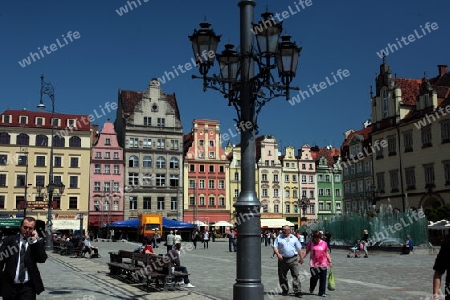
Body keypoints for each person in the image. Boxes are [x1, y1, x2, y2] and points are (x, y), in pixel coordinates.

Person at [0, 216, 47, 299]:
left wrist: (35, 241)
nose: (27, 230)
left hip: (28, 287)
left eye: (30, 228)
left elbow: (42, 259)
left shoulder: (36, 243)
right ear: (20, 227)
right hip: (10, 286)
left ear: (34, 229)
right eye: (25, 227)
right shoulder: (10, 241)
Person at [273, 225, 304, 298]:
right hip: (282, 259)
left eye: (285, 229)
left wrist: (301, 257)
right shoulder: (279, 238)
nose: (283, 231)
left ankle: (297, 291)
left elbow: (299, 248)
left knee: (295, 275)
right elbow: (275, 247)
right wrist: (278, 254)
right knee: (282, 276)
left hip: (293, 259)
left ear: (289, 230)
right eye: (283, 229)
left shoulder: (294, 238)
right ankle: (285, 290)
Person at [303, 230, 332, 297]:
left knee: (323, 278)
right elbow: (306, 252)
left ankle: (322, 292)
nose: (316, 239)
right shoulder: (310, 243)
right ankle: (312, 288)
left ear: (320, 237)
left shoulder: (324, 243)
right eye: (315, 238)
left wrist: (330, 261)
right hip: (313, 264)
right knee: (314, 277)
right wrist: (302, 258)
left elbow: (326, 253)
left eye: (318, 238)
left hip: (323, 264)